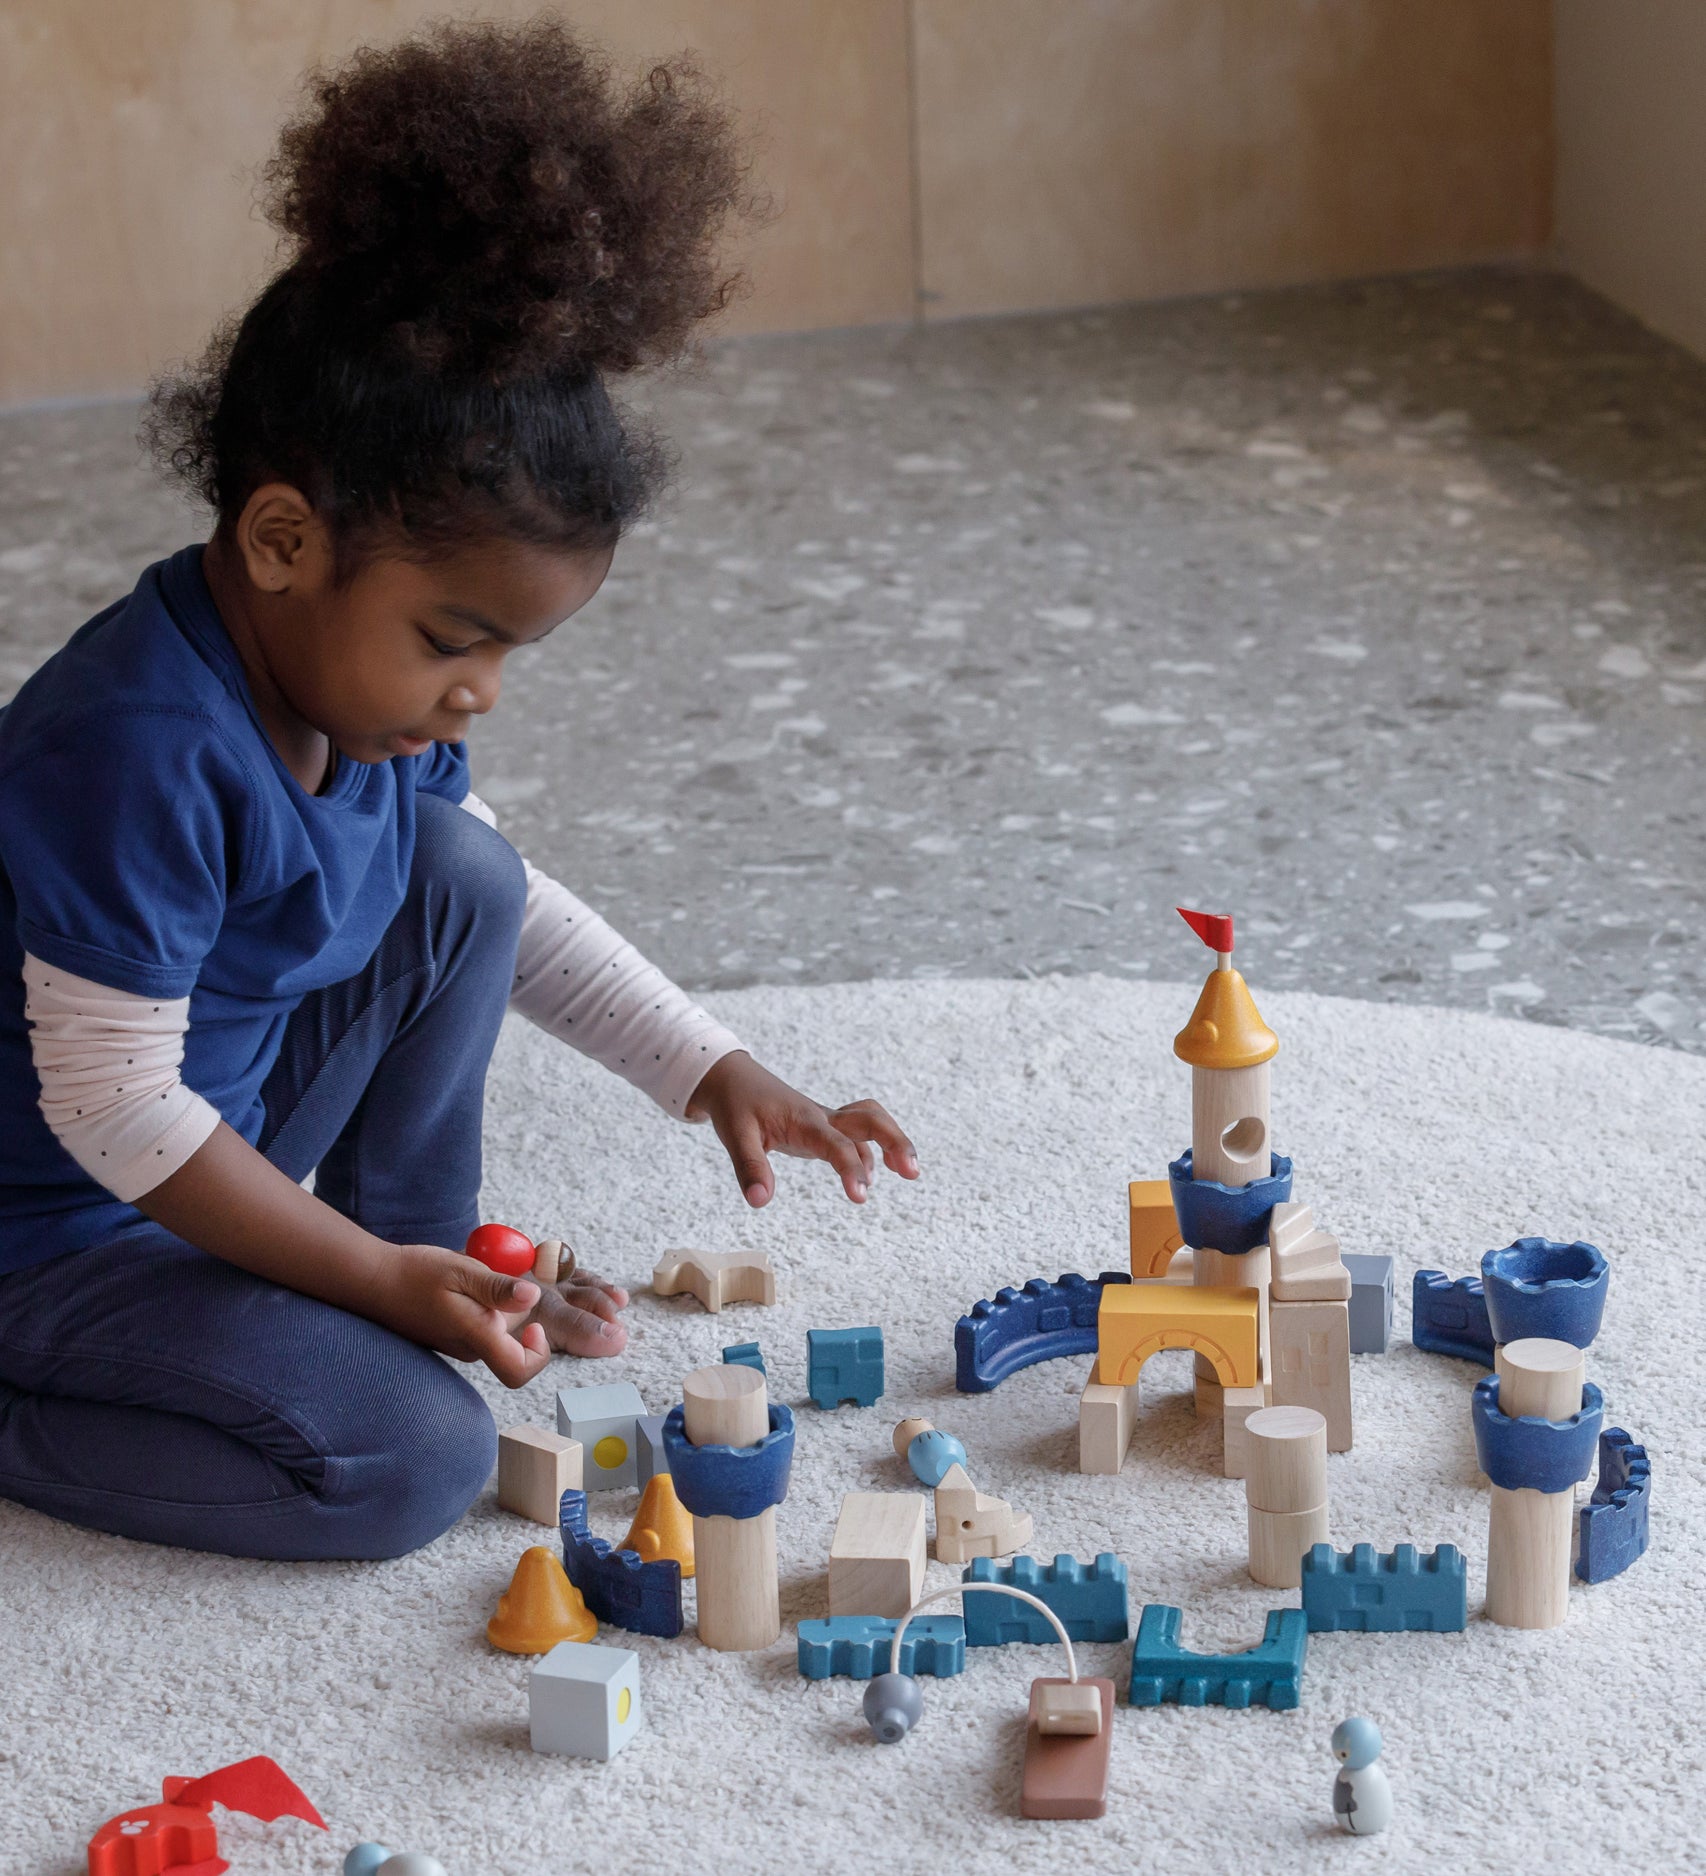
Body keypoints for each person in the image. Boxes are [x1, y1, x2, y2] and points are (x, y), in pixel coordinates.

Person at [0, 20, 916, 1561]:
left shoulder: (354, 705)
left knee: (456, 873)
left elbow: (505, 908)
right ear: (283, 541)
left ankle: (439, 1264)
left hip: (197, 1145)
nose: (479, 689)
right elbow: (110, 1108)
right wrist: (359, 1281)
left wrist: (709, 1065)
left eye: (506, 651)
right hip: (53, 1228)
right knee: (407, 1462)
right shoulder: (132, 747)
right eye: (454, 639)